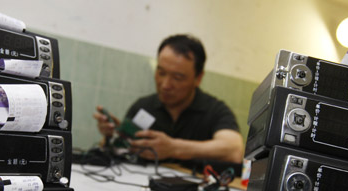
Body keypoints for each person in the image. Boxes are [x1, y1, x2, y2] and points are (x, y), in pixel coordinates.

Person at [93, 34, 244, 164]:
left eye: (177, 77)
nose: (165, 85)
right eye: (161, 72)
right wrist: (111, 135)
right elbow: (119, 151)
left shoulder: (215, 110)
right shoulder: (143, 107)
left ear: (198, 78)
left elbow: (234, 150)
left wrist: (173, 148)